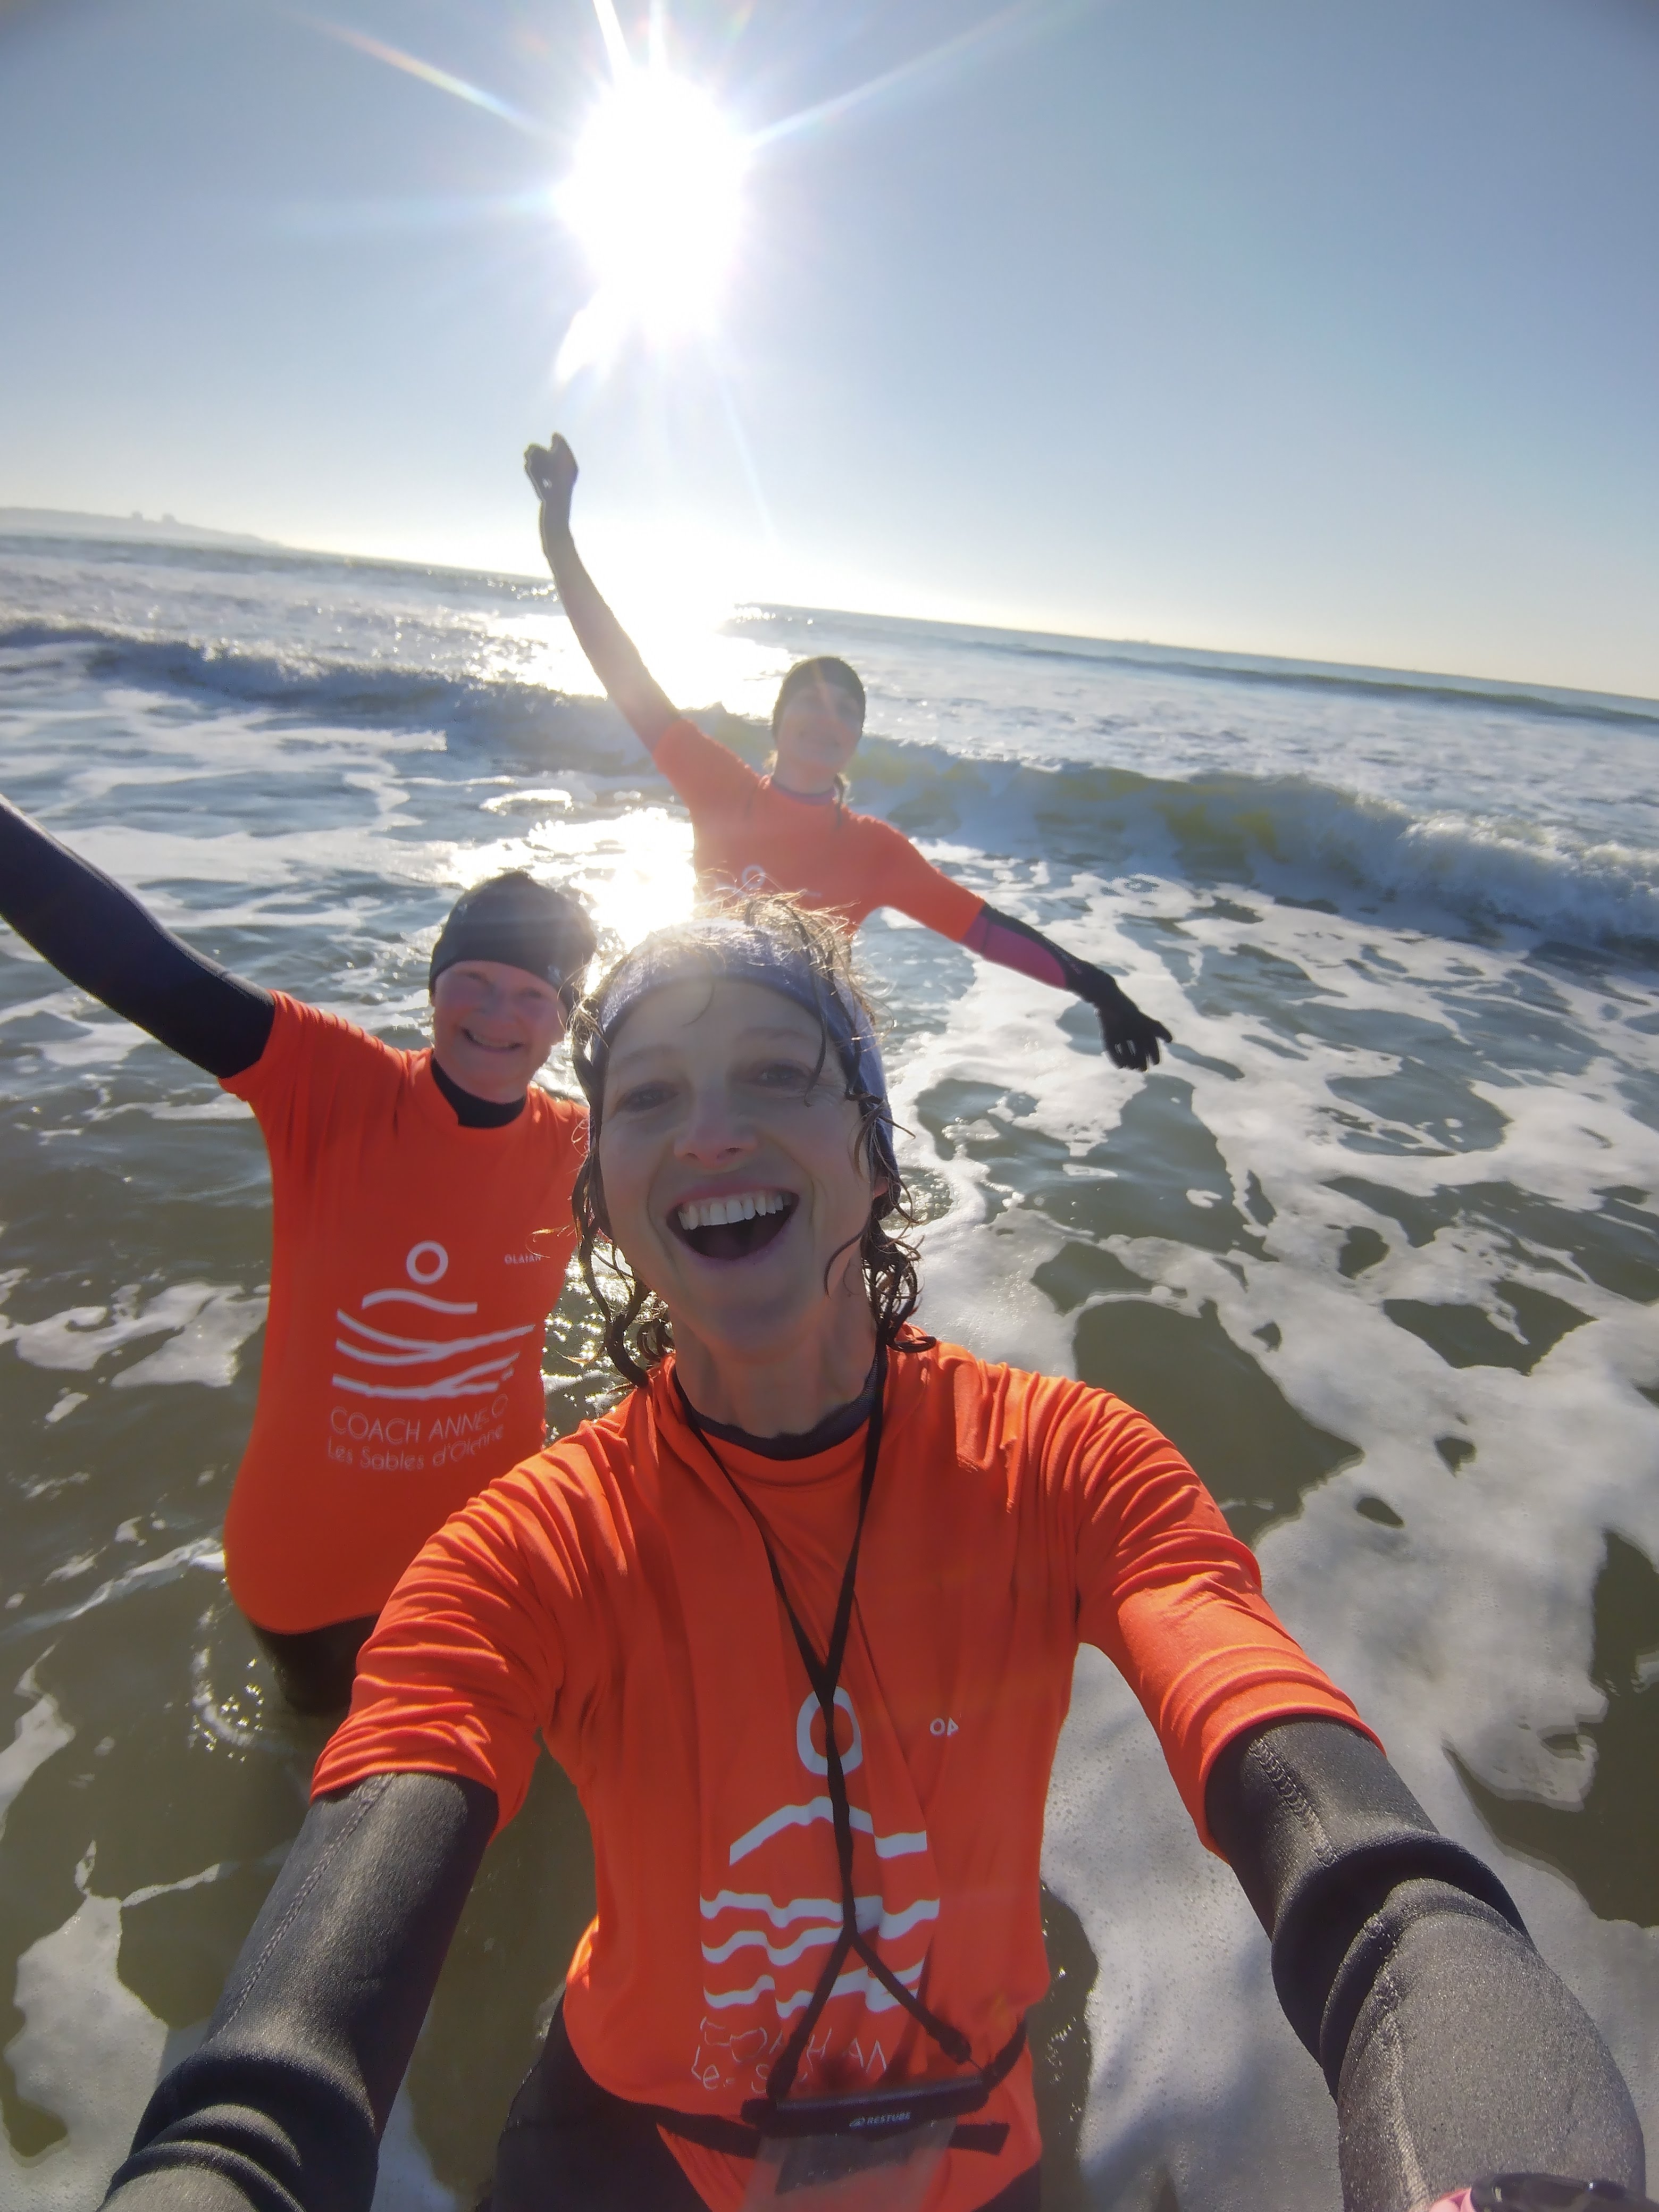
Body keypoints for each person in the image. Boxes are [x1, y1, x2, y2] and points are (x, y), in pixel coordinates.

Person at [104, 898, 1644, 2212]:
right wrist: (224, 2164)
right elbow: (285, 2061)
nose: (712, 1131)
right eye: (644, 1097)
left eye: (778, 1072)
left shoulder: (1063, 1469)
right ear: (604, 1200)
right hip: (628, 2136)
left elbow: (1375, 1889)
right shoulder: (528, 1547)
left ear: (876, 1150)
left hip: (966, 2142)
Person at [0, 795, 596, 1713]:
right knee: (319, 1773)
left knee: (493, 1773)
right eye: (472, 978)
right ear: (433, 986)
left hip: (482, 1548)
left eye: (531, 995)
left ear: (562, 1023)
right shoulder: (330, 1085)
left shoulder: (583, 1149)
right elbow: (131, 956)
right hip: (309, 1571)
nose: (495, 1012)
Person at [524, 432, 1173, 1076]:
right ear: (778, 724)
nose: (827, 714)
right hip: (705, 1026)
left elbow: (982, 928)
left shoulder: (876, 850)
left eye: (846, 707)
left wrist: (1100, 988)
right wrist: (557, 535)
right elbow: (622, 670)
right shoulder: (719, 786)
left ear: (856, 740)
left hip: (808, 1047)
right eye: (810, 700)